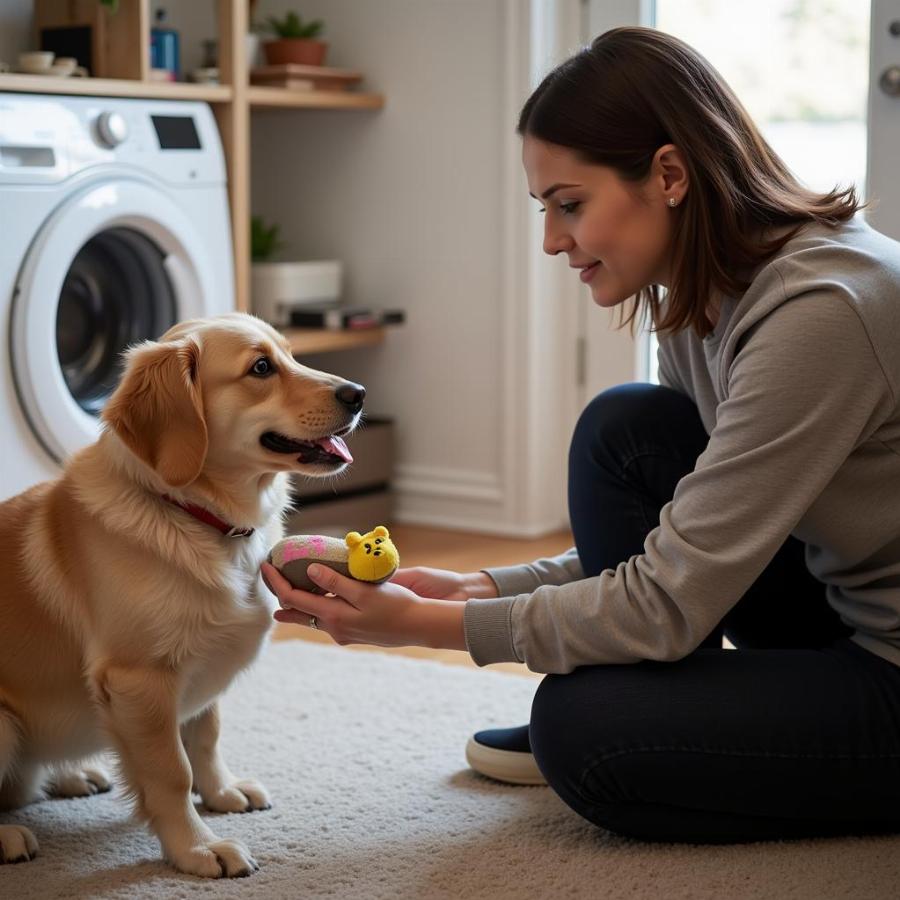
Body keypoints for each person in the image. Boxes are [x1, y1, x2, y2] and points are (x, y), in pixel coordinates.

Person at [263, 26, 900, 844]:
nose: (552, 240)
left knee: (584, 731)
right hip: (839, 604)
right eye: (545, 210)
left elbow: (669, 599)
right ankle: (666, 710)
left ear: (668, 174)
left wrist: (424, 628)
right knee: (627, 430)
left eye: (570, 204)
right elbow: (692, 537)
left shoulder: (820, 312)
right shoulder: (704, 293)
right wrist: (478, 589)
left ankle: (654, 717)